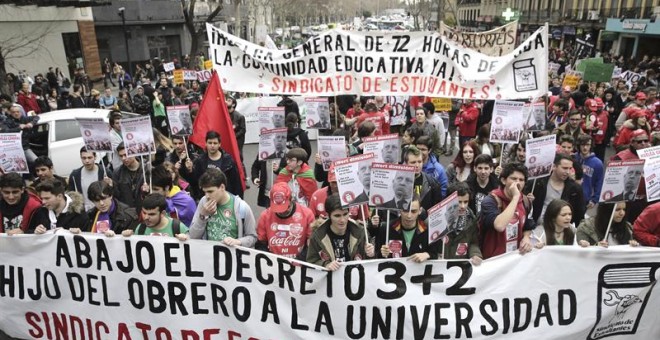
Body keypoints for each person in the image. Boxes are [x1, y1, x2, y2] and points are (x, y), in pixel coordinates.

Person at [479, 162, 534, 259]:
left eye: (521, 180)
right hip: (493, 260)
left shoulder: (525, 201)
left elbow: (527, 224)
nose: (517, 182)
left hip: (515, 258)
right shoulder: (490, 201)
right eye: (513, 178)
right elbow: (499, 226)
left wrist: (526, 237)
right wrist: (515, 197)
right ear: (504, 180)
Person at [188, 168, 257, 247]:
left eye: (210, 191)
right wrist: (202, 216)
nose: (207, 196)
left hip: (231, 257)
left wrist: (238, 241)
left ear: (222, 187)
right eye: (205, 192)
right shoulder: (204, 202)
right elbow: (193, 236)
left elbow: (253, 237)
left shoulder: (242, 207)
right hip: (209, 255)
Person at [306, 194, 375, 270]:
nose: (342, 220)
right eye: (337, 216)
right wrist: (326, 265)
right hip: (330, 280)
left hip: (355, 279)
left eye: (345, 214)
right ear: (328, 216)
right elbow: (310, 263)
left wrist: (371, 254)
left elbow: (372, 265)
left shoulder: (361, 232)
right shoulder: (318, 235)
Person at [256, 182, 315, 259]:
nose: (281, 212)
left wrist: (299, 260)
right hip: (274, 263)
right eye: (277, 208)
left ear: (291, 200)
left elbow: (312, 244)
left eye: (285, 208)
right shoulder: (265, 216)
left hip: (300, 262)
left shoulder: (307, 214)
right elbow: (261, 244)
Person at [374, 194, 439, 262]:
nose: (409, 216)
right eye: (405, 210)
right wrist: (382, 253)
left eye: (413, 211)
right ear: (400, 210)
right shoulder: (386, 229)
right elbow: (376, 257)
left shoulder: (428, 231)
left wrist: (427, 255)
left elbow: (435, 255)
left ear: (420, 211)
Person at [180, 131, 243, 200]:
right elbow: (195, 182)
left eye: (215, 143)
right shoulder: (200, 161)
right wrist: (190, 170)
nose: (212, 146)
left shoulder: (228, 161)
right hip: (207, 199)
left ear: (219, 144)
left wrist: (238, 201)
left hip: (225, 199)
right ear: (206, 144)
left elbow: (236, 183)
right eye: (210, 143)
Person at [525, 153, 585, 227]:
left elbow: (580, 214)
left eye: (570, 168)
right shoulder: (538, 182)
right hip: (536, 227)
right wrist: (529, 200)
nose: (568, 172)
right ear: (554, 166)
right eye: (564, 168)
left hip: (560, 230)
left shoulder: (575, 189)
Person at [439, 182, 482, 264]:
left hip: (460, 266)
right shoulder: (437, 218)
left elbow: (473, 242)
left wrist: (475, 254)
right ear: (449, 200)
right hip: (440, 265)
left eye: (466, 202)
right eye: (459, 202)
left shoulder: (471, 219)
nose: (463, 206)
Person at [122, 193, 188, 240]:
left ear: (163, 213)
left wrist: (186, 239)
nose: (146, 217)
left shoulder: (178, 227)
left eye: (151, 214)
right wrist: (125, 238)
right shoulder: (140, 229)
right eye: (144, 213)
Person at [112, 143, 149, 209]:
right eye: (121, 156)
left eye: (126, 155)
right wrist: (111, 186)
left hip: (144, 210)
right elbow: (116, 196)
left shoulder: (147, 169)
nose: (123, 158)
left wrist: (148, 190)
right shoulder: (117, 173)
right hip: (126, 212)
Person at [574, 134, 604, 209]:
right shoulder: (573, 158)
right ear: (578, 145)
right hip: (570, 194)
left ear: (591, 145)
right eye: (582, 145)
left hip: (585, 199)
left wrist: (594, 200)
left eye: (587, 145)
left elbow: (599, 182)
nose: (585, 147)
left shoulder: (597, 163)